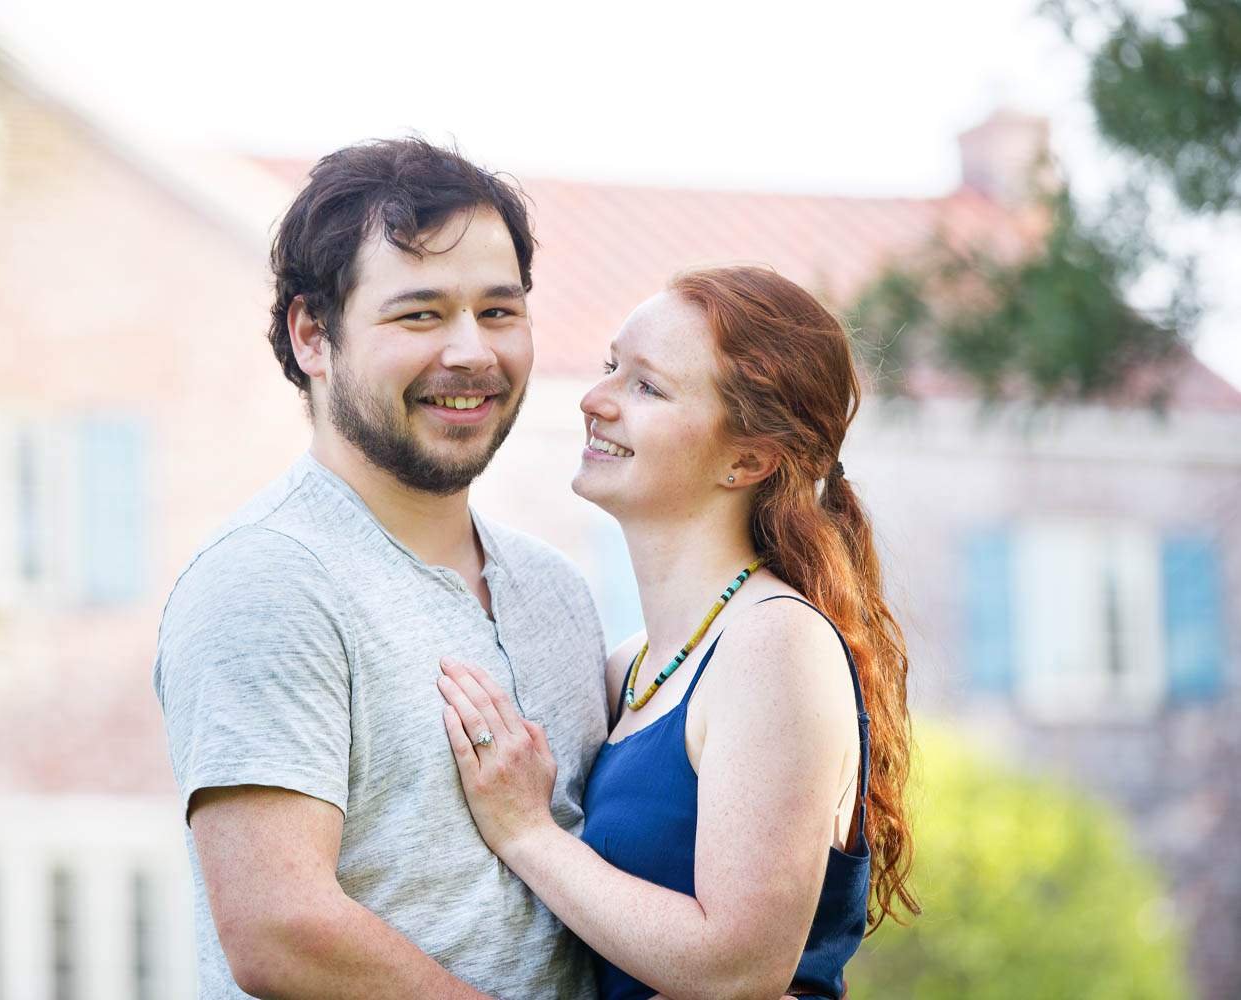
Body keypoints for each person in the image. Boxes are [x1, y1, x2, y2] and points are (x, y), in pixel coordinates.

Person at [152, 138, 611, 999]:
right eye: (421, 315)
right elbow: (279, 930)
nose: (473, 352)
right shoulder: (270, 580)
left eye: (500, 312)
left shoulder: (557, 592)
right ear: (313, 335)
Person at [439, 265, 919, 1000]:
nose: (595, 401)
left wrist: (527, 834)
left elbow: (738, 968)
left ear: (747, 460)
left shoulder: (774, 644)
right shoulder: (627, 667)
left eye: (647, 387)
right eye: (611, 369)